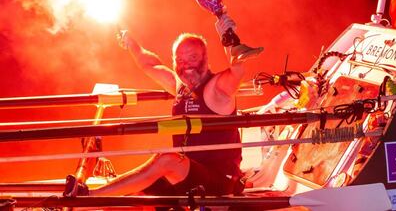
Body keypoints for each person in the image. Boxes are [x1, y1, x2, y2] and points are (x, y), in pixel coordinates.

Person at [64, 14, 259, 197]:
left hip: (219, 184)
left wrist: (228, 38)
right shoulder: (179, 86)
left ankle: (88, 196)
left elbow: (237, 71)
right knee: (135, 195)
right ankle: (85, 204)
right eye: (180, 60)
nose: (187, 65)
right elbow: (148, 63)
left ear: (205, 59)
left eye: (193, 57)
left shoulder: (217, 88)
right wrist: (130, 41)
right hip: (188, 175)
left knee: (166, 159)